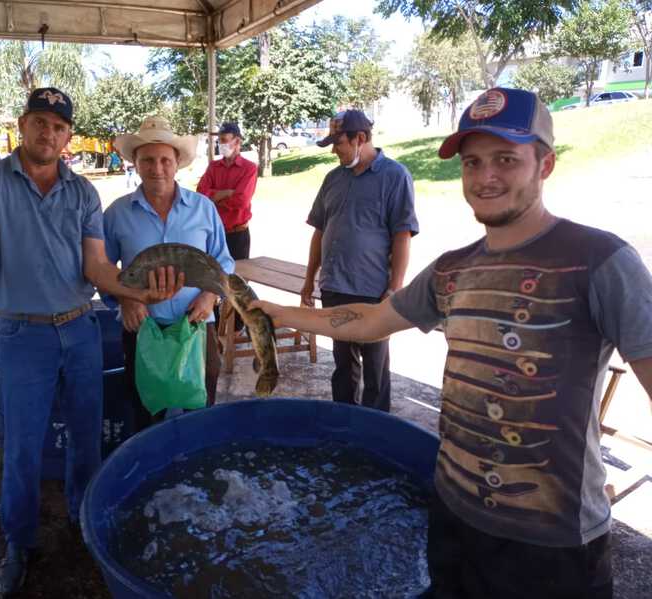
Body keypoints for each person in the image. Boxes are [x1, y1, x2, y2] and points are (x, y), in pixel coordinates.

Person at [253, 87, 652, 599]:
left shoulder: (600, 260)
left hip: (553, 542)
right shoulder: (452, 269)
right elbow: (371, 321)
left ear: (545, 164)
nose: (485, 177)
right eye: (472, 162)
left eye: (506, 159)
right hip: (454, 516)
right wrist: (280, 313)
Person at [0, 88, 182, 597]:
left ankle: (83, 520)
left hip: (81, 328)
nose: (48, 133)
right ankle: (20, 541)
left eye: (58, 126)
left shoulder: (83, 191)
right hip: (21, 333)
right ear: (23, 125)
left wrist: (139, 291)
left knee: (86, 439)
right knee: (23, 445)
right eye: (40, 123)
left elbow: (97, 266)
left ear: (68, 135)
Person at [105, 116, 234, 427]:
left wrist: (209, 296)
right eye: (147, 160)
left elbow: (224, 261)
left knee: (201, 414)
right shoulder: (117, 213)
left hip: (196, 327)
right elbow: (101, 269)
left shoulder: (203, 208)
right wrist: (125, 299)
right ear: (135, 164)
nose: (157, 168)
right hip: (142, 330)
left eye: (165, 160)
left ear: (177, 163)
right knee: (145, 416)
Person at [302, 109, 418, 412]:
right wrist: (309, 280)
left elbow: (402, 235)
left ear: (360, 138)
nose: (334, 151)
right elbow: (319, 230)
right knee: (343, 365)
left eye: (338, 143)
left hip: (373, 291)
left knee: (375, 370)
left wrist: (394, 289)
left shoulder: (395, 176)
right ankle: (345, 423)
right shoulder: (333, 178)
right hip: (334, 287)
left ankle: (376, 429)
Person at [196, 122, 257, 262]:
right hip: (214, 233)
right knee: (213, 274)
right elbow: (200, 195)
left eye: (224, 140)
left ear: (237, 141)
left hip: (238, 234)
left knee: (239, 274)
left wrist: (213, 197)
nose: (220, 144)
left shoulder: (249, 168)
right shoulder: (213, 167)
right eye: (219, 140)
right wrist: (227, 193)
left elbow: (241, 201)